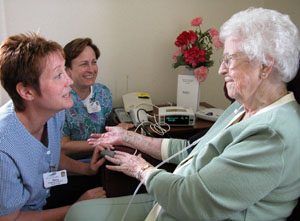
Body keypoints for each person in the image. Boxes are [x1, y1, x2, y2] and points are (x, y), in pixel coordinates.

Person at [65, 7, 300, 221]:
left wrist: (141, 169)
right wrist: (128, 138)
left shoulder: (271, 135)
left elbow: (194, 202)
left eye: (230, 59)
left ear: (265, 66)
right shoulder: (241, 108)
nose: (220, 69)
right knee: (78, 212)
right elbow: (192, 150)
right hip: (171, 199)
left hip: (186, 205)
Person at [0, 33, 106, 220]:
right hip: (23, 215)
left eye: (65, 72)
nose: (70, 81)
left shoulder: (55, 111)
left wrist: (86, 169)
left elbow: (50, 155)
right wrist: (75, 208)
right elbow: (11, 219)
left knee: (107, 185)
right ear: (27, 91)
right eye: (58, 75)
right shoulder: (4, 153)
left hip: (45, 196)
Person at [61, 37, 133, 160]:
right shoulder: (59, 101)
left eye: (93, 62)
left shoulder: (102, 93)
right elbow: (63, 146)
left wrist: (117, 129)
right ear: (67, 70)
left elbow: (106, 126)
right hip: (72, 165)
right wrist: (103, 141)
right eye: (84, 64)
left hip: (102, 156)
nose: (91, 70)